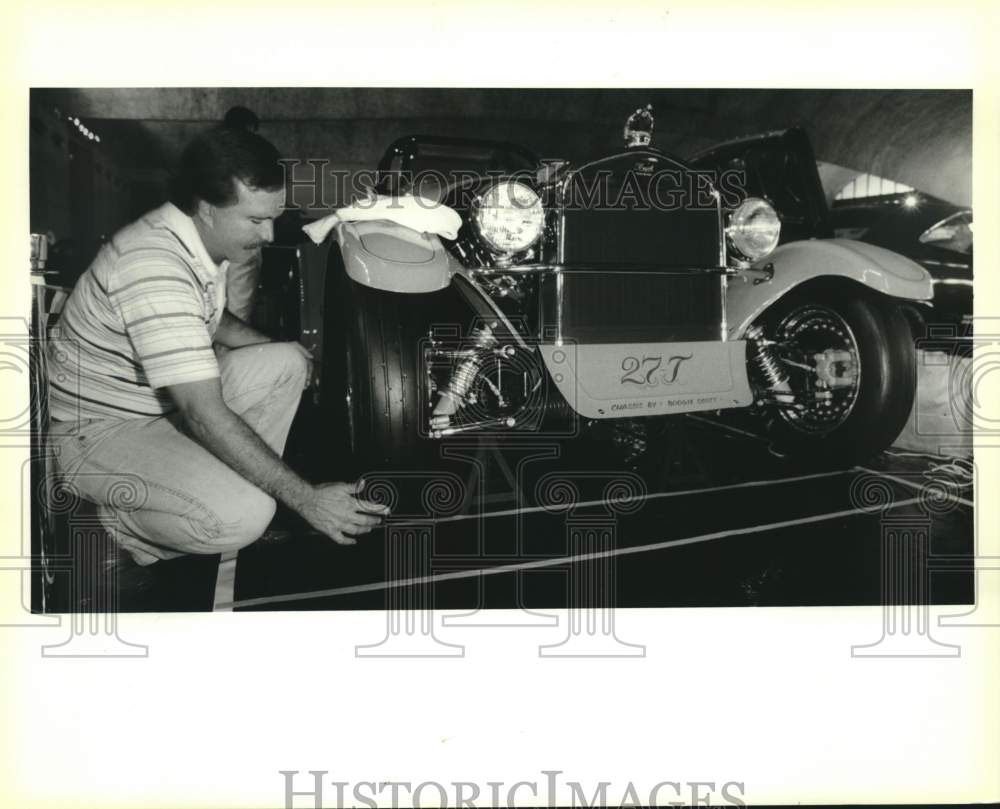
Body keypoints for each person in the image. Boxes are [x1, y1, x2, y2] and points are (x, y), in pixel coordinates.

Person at [47, 125, 388, 565]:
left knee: (285, 361)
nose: (269, 235)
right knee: (244, 515)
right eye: (255, 220)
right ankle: (113, 523)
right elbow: (202, 413)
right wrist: (304, 498)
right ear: (207, 209)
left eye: (272, 217)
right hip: (95, 432)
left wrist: (266, 345)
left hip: (155, 407)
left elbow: (209, 317)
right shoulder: (155, 266)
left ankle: (224, 483)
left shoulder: (198, 242)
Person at [221, 105, 264, 324]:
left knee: (211, 308)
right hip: (243, 240)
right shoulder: (250, 158)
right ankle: (228, 355)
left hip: (213, 241)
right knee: (238, 310)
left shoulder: (212, 156)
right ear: (247, 129)